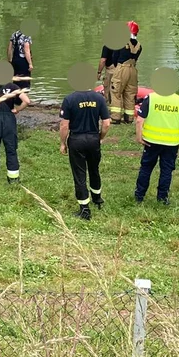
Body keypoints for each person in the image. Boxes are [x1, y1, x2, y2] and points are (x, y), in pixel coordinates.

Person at [60, 72, 112, 220]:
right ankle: (97, 199)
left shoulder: (69, 99)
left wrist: (63, 143)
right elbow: (107, 123)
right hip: (93, 138)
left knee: (80, 174)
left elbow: (64, 125)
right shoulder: (99, 98)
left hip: (77, 140)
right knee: (94, 169)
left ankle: (84, 210)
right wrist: (100, 137)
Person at [133, 87, 179, 205]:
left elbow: (140, 120)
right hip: (171, 143)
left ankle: (139, 195)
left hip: (151, 141)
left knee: (146, 168)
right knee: (166, 170)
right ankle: (162, 198)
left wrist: (139, 137)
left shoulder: (150, 98)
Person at [109, 22, 142, 124]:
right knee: (130, 94)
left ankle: (115, 118)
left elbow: (114, 58)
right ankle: (129, 118)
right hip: (133, 70)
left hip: (121, 68)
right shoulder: (139, 46)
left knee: (116, 92)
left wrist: (117, 67)